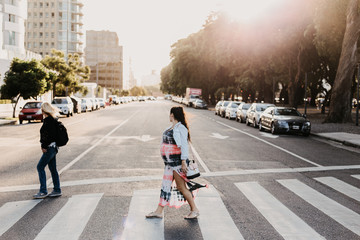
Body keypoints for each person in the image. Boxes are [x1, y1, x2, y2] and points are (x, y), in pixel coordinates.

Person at [146, 106, 206, 219]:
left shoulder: (181, 128)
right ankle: (159, 211)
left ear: (172, 115)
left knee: (181, 187)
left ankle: (195, 209)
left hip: (177, 164)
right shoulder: (171, 127)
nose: (169, 116)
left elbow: (184, 146)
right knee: (165, 186)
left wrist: (183, 162)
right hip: (169, 164)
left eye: (170, 114)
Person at [33, 102, 62, 199]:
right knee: (53, 169)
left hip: (49, 148)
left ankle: (43, 191)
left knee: (40, 167)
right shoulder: (53, 120)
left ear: (44, 110)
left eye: (42, 109)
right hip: (53, 148)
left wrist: (44, 146)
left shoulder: (48, 121)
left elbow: (49, 136)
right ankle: (57, 190)